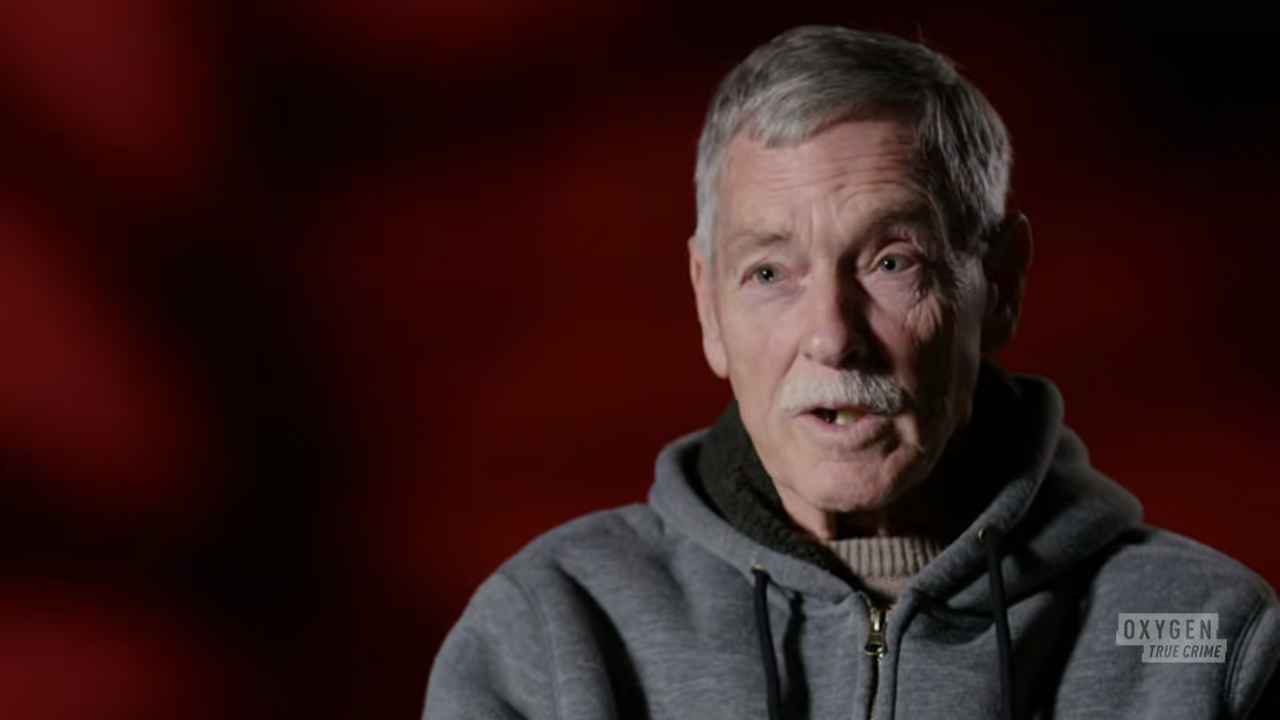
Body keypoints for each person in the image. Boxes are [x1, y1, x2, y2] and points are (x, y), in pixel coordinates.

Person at [423, 25, 1280, 719]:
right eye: (769, 272)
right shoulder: (550, 633)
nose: (833, 338)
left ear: (1000, 286)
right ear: (706, 305)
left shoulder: (1212, 642)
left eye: (891, 262)